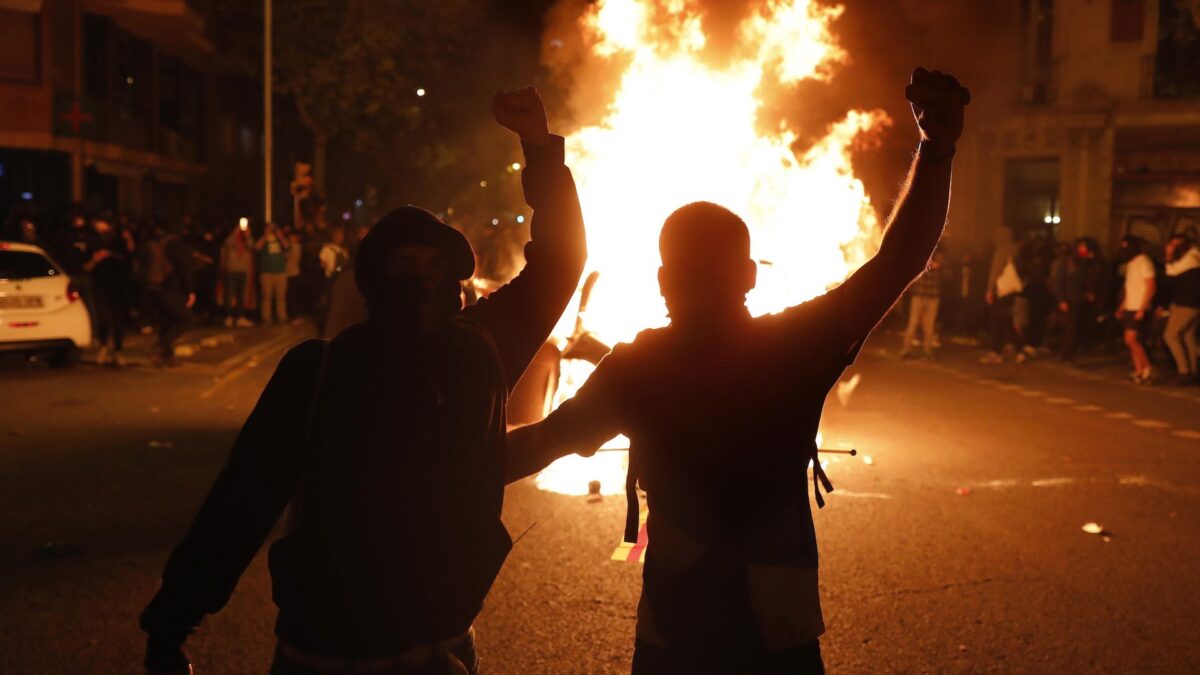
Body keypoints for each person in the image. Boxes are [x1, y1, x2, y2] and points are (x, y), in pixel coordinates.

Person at [505, 68, 968, 674]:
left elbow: (538, 446)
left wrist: (422, 471)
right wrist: (937, 148)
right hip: (778, 626)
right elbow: (901, 259)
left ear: (662, 282)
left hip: (679, 629)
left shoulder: (639, 365)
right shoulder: (793, 345)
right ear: (751, 276)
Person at [139, 85, 586, 675]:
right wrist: (173, 622)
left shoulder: (479, 349)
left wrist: (540, 149)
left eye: (436, 270)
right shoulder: (318, 371)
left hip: (442, 647)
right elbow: (242, 501)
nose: (422, 283)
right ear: (375, 285)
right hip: (323, 657)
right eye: (403, 269)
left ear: (456, 285)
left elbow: (561, 260)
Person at [139, 220, 196, 367]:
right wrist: (189, 290)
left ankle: (165, 357)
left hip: (152, 287)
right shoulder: (175, 244)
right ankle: (160, 346)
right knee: (184, 318)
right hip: (171, 287)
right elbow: (184, 268)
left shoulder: (151, 243)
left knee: (166, 321)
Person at [84, 214, 134, 366]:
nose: (102, 227)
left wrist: (114, 252)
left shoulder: (119, 240)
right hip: (100, 284)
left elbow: (129, 257)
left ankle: (118, 349)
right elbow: (86, 266)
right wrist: (95, 259)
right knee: (103, 317)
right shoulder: (92, 240)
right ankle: (104, 346)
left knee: (118, 318)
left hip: (118, 284)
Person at [1115, 235, 1157, 384]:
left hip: (1140, 307)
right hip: (1130, 306)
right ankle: (1138, 370)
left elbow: (1151, 286)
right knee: (1129, 340)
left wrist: (1143, 308)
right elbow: (1130, 288)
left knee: (1131, 339)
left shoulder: (1144, 262)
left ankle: (1148, 367)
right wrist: (1122, 306)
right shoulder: (1131, 264)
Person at [981, 226, 1026, 364]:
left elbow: (996, 271)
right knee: (1009, 321)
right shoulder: (1016, 249)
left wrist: (990, 290)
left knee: (998, 321)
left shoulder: (1001, 250)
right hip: (1013, 290)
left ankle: (996, 352)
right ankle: (1018, 350)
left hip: (1001, 291)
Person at [1163, 234, 1200, 385]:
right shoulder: (1194, 259)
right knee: (1187, 336)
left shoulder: (1190, 260)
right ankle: (1193, 370)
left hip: (1186, 304)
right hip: (1192, 304)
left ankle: (1183, 371)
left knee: (1170, 336)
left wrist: (1169, 255)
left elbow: (1171, 273)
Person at [899, 249, 942, 358]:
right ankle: (906, 350)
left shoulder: (941, 254)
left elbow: (941, 266)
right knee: (913, 322)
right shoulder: (920, 253)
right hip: (919, 294)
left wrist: (935, 264)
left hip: (933, 296)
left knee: (929, 325)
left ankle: (927, 350)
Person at [221, 224, 255, 327]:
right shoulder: (231, 242)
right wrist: (236, 231)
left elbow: (252, 245)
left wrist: (248, 234)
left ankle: (240, 317)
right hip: (232, 271)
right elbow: (227, 242)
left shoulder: (246, 243)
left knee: (241, 295)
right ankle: (229, 317)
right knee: (230, 295)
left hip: (243, 271)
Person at [257, 223, 291, 324]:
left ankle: (282, 316)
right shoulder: (264, 240)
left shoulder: (280, 240)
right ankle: (266, 317)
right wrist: (265, 236)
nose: (272, 231)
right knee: (266, 296)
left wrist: (280, 236)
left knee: (281, 297)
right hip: (266, 273)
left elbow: (288, 246)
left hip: (280, 272)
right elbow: (257, 247)